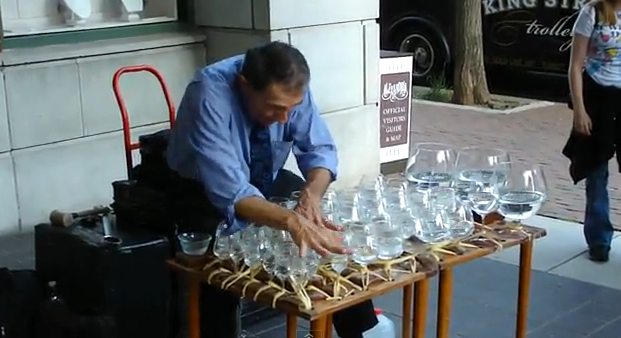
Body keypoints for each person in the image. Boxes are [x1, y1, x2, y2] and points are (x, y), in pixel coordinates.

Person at [166, 42, 378, 338]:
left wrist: (311, 196)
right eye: (275, 108)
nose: (283, 119)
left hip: (262, 177)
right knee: (219, 264)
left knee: (325, 230)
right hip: (200, 187)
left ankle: (358, 332)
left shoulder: (291, 89)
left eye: (290, 110)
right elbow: (230, 191)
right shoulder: (208, 93)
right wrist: (291, 220)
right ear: (244, 85)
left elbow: (320, 151)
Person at [564, 0, 621, 263]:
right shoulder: (592, 13)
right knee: (596, 171)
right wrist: (579, 109)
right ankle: (599, 238)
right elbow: (576, 65)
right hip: (597, 99)